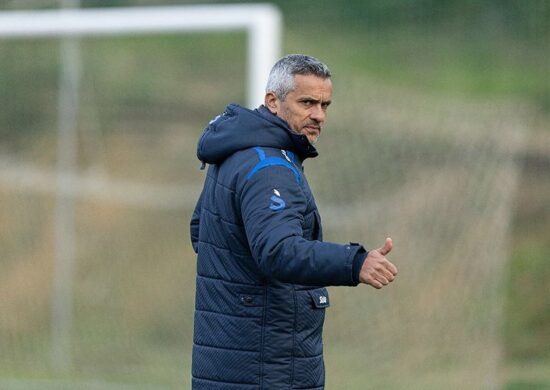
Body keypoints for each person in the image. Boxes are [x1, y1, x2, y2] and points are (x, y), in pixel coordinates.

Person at [190, 54, 398, 389]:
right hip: (266, 367)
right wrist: (354, 262)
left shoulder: (237, 152)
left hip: (229, 361)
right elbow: (278, 251)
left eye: (325, 105)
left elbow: (201, 231)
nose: (318, 115)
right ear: (273, 101)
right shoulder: (269, 167)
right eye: (307, 102)